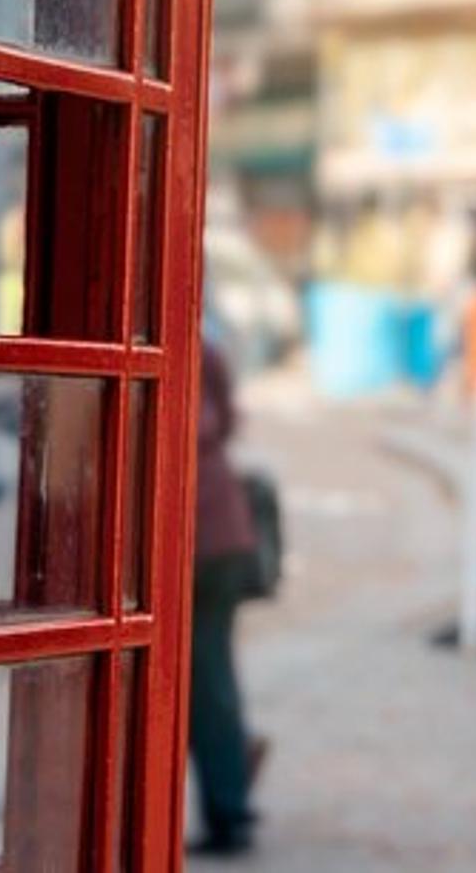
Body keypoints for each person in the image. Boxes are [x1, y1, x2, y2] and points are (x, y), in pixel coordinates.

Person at [189, 337, 263, 857]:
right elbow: (231, 420)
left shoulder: (196, 352)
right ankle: (232, 781)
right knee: (214, 678)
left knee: (208, 681)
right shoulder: (207, 350)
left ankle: (229, 810)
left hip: (200, 542)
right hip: (223, 532)